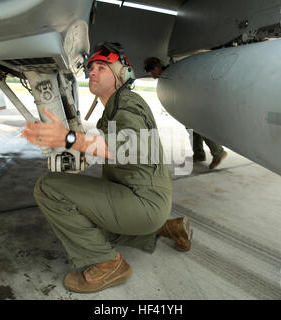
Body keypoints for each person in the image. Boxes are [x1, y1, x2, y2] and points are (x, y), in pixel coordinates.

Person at [21, 43, 193, 294]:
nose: (92, 71)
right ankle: (167, 228)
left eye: (102, 68)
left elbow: (125, 148)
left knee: (48, 187)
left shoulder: (127, 104)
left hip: (143, 202)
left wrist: (67, 138)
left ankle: (109, 265)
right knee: (89, 223)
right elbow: (106, 149)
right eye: (91, 67)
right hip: (146, 201)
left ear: (121, 75)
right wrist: (76, 147)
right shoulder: (113, 110)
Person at [144, 57, 228, 169]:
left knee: (200, 127)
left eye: (151, 71)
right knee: (191, 129)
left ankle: (219, 153)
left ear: (157, 67)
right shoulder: (166, 75)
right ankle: (199, 154)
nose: (151, 74)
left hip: (193, 102)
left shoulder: (173, 72)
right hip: (186, 103)